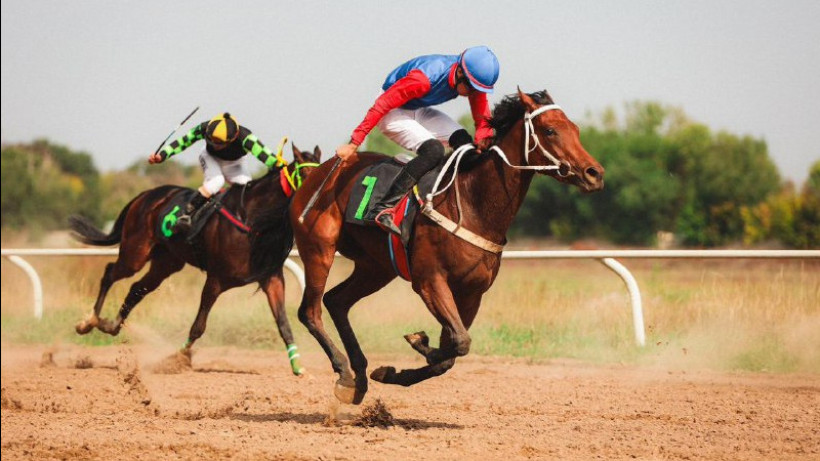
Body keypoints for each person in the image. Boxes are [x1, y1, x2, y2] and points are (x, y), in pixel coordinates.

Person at [335, 45, 500, 235]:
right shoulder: (423, 79)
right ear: (460, 72)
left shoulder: (469, 77)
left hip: (417, 107)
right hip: (391, 111)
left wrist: (484, 139)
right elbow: (381, 105)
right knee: (434, 151)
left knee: (465, 144)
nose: (474, 93)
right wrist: (354, 143)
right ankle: (381, 208)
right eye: (472, 88)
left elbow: (482, 117)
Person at [148, 113, 286, 232]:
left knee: (246, 189)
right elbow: (184, 141)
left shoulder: (245, 137)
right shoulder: (205, 127)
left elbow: (265, 155)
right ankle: (186, 215)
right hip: (209, 158)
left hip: (235, 164)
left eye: (220, 143)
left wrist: (280, 165)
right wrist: (162, 155)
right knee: (216, 181)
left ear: (235, 135)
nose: (215, 145)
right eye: (212, 141)